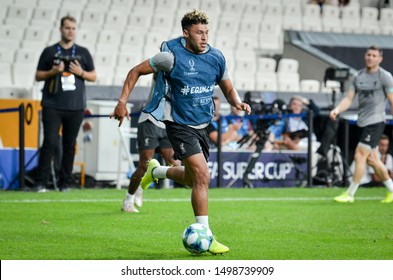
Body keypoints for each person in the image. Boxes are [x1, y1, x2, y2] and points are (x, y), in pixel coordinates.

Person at [110, 9, 251, 254]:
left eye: (206, 32)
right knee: (202, 176)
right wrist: (122, 101)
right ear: (186, 33)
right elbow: (135, 72)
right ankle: (206, 236)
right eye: (199, 32)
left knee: (192, 178)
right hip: (178, 123)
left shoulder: (216, 57)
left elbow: (227, 88)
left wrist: (236, 101)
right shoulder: (170, 57)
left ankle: (159, 170)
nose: (204, 37)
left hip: (202, 124)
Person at [34, 15, 96, 192]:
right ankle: (40, 182)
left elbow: (93, 76)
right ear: (61, 29)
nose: (70, 31)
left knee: (70, 144)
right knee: (50, 142)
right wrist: (53, 71)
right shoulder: (50, 51)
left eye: (73, 28)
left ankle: (65, 183)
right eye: (67, 28)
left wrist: (80, 72)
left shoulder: (83, 52)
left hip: (75, 106)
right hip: (52, 105)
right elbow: (38, 75)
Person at [331, 45, 393, 203]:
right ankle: (392, 190)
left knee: (360, 155)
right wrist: (337, 109)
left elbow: (392, 100)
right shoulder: (358, 76)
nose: (370, 57)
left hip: (376, 122)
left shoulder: (385, 77)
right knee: (373, 159)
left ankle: (350, 194)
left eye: (374, 55)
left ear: (380, 59)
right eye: (368, 54)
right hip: (362, 122)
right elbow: (348, 98)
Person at [121, 76, 180, 213]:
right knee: (145, 164)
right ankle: (128, 200)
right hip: (150, 120)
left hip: (167, 123)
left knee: (174, 163)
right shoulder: (163, 70)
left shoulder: (184, 77)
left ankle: (144, 182)